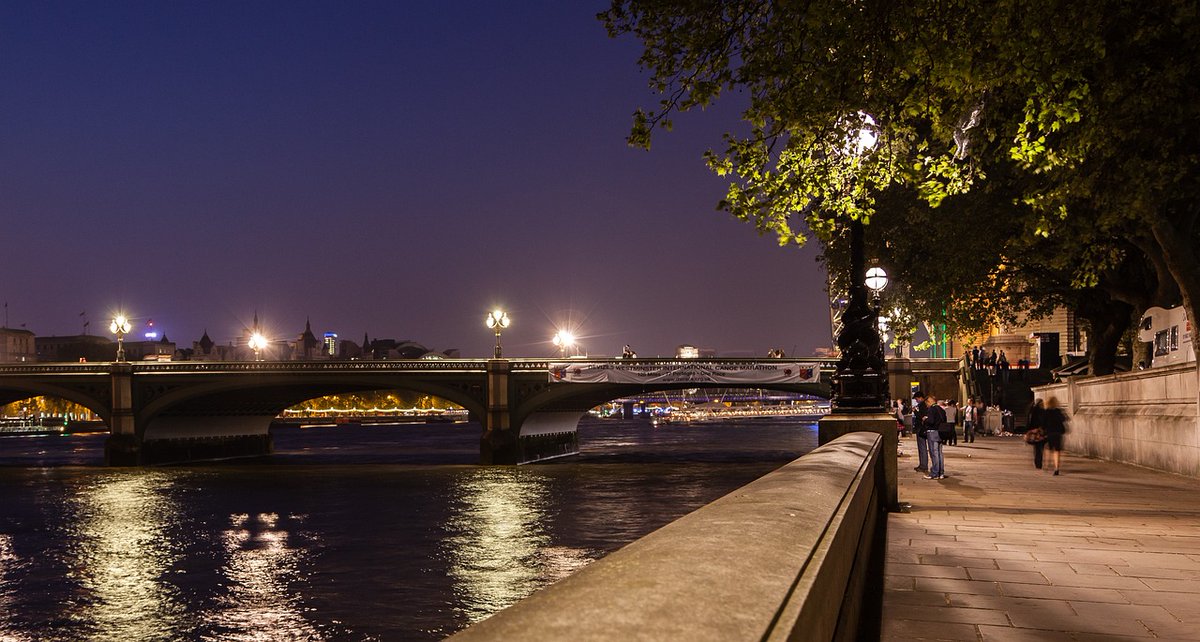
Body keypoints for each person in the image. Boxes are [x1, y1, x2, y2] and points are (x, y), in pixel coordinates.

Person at [923, 393, 947, 480]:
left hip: (932, 433)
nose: (927, 406)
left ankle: (934, 473)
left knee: (934, 453)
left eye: (926, 403)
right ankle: (941, 473)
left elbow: (931, 421)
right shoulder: (941, 409)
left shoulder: (931, 409)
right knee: (940, 453)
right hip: (941, 433)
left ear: (929, 401)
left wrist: (925, 419)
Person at [1043, 396, 1069, 475]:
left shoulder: (1046, 412)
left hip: (1049, 432)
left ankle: (1047, 464)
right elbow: (1065, 419)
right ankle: (1056, 468)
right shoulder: (1058, 411)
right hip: (1058, 432)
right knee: (1057, 451)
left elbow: (1043, 423)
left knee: (1048, 448)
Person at [1026, 399, 1046, 469]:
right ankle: (1039, 462)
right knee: (1040, 448)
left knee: (1037, 448)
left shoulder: (1031, 411)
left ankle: (1037, 462)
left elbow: (1029, 422)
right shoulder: (1042, 411)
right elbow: (1043, 421)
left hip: (1033, 431)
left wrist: (1029, 430)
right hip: (1039, 431)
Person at [912, 391, 929, 474]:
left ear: (920, 397)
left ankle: (923, 465)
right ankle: (922, 464)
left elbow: (921, 417)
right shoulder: (923, 405)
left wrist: (915, 411)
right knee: (922, 447)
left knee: (922, 447)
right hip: (921, 428)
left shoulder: (922, 405)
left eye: (916, 399)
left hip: (921, 428)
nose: (916, 400)